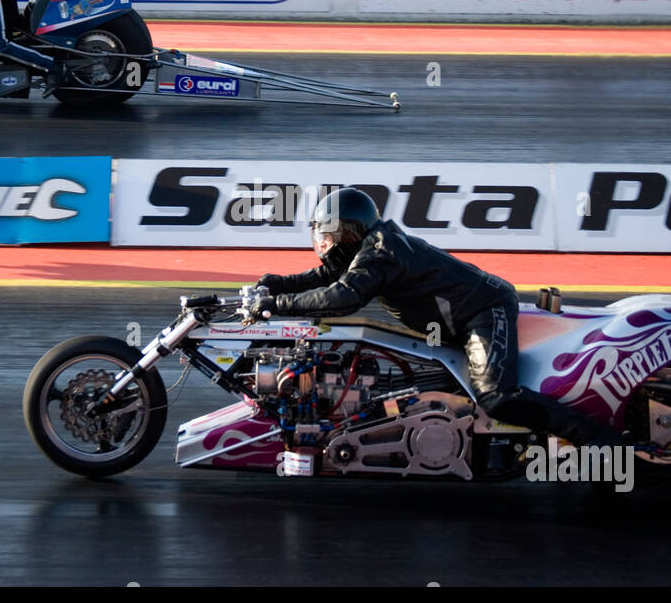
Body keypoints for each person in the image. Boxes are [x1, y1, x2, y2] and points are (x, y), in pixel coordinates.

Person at [249, 189, 624, 449]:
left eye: (332, 235)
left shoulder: (381, 251)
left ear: (353, 230)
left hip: (482, 310)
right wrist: (276, 284)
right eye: (323, 236)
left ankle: (601, 442)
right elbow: (326, 278)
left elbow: (344, 297)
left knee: (497, 397)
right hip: (454, 318)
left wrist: (277, 304)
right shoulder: (367, 248)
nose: (326, 244)